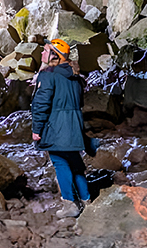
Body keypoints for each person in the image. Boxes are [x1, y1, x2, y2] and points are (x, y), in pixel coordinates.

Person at [31, 38, 99, 217]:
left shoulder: (48, 75)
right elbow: (80, 102)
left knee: (61, 164)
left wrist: (37, 129)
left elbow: (41, 104)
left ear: (55, 55)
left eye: (45, 50)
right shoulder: (75, 76)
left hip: (56, 128)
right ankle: (86, 200)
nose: (42, 53)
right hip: (74, 127)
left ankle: (70, 205)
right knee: (76, 165)